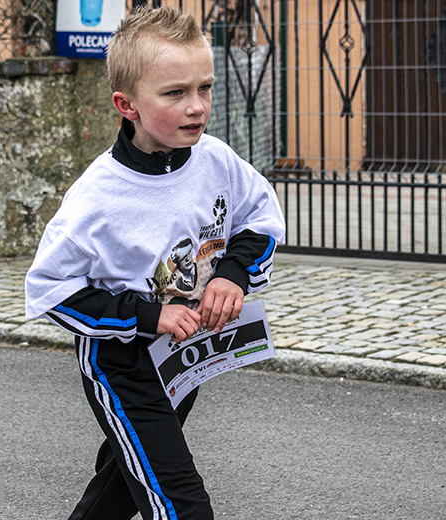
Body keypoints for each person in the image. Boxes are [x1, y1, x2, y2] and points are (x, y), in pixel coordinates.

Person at [24, 6, 285, 520]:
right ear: (128, 105)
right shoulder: (97, 198)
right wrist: (149, 316)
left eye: (204, 88)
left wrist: (233, 275)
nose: (197, 107)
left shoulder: (217, 160)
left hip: (184, 355)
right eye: (175, 93)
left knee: (122, 484)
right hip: (122, 364)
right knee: (179, 500)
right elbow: (50, 289)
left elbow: (261, 218)